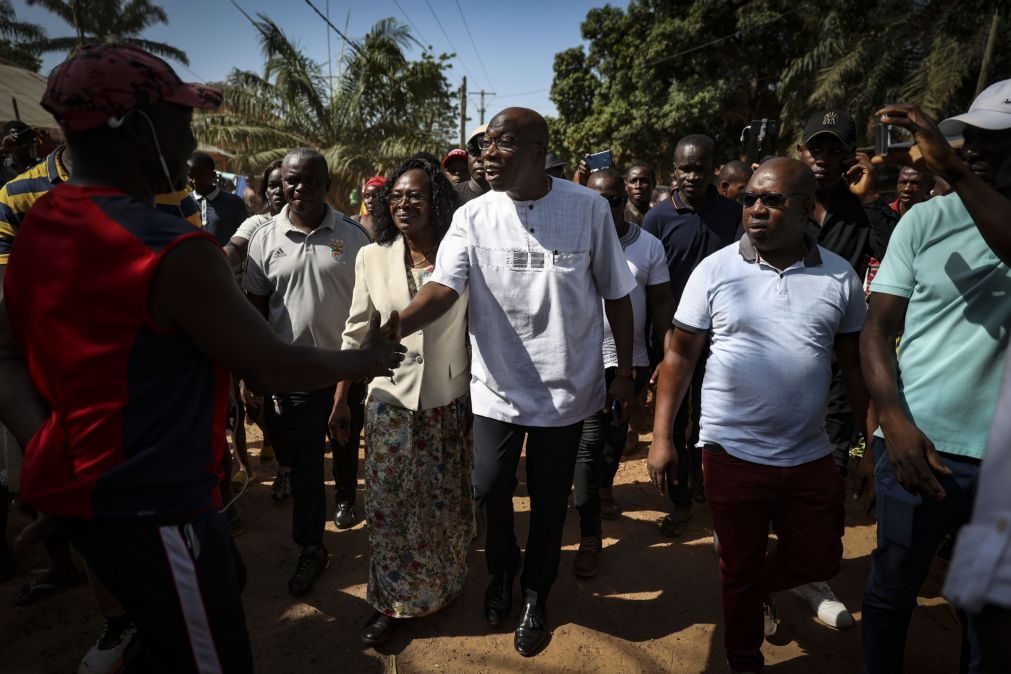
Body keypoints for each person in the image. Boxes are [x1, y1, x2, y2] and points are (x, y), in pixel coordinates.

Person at [0, 43, 404, 674]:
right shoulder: (170, 248)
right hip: (160, 508)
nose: (191, 144)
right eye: (179, 122)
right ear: (136, 130)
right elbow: (271, 363)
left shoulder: (38, 224)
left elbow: (6, 360)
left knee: (204, 598)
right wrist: (364, 361)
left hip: (96, 500)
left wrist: (54, 465)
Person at [393, 107, 637, 657]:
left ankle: (534, 592)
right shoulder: (473, 216)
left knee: (551, 501)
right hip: (495, 387)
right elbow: (444, 288)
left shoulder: (588, 209)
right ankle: (501, 572)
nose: (485, 155)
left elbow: (617, 295)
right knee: (490, 486)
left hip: (567, 391)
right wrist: (399, 323)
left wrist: (623, 371)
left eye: (500, 144)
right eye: (482, 146)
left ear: (535, 149)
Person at [649, 158, 870, 674]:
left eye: (772, 200)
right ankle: (743, 658)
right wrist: (662, 438)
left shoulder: (839, 276)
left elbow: (856, 370)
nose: (756, 208)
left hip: (810, 453)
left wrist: (867, 444)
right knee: (737, 566)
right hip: (730, 452)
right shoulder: (716, 269)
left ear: (805, 207)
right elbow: (679, 357)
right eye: (750, 198)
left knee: (821, 559)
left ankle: (755, 588)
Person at [0, 113, 202, 674]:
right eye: (175, 123)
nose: (186, 140)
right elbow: (9, 312)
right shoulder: (17, 195)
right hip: (62, 392)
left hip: (160, 395)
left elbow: (203, 281)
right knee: (96, 521)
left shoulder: (169, 187)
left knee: (191, 557)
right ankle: (119, 619)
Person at [860, 84, 1011, 674]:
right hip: (916, 446)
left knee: (986, 606)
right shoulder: (923, 220)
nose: (973, 149)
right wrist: (893, 424)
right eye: (969, 136)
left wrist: (953, 171)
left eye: (995, 140)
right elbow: (876, 330)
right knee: (892, 589)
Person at [340, 157, 471, 646]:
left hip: (447, 399)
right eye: (395, 196)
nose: (402, 204)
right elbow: (356, 331)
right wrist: (340, 401)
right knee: (391, 508)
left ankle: (445, 585)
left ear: (435, 199)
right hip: (388, 401)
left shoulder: (460, 256)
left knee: (443, 506)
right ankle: (393, 604)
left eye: (414, 195)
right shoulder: (372, 257)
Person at [243, 148, 373, 593]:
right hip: (292, 375)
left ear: (327, 183)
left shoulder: (355, 237)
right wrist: (253, 371)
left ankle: (345, 501)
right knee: (303, 466)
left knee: (345, 442)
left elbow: (370, 309)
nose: (299, 189)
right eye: (291, 181)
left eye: (309, 180)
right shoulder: (264, 238)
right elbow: (257, 310)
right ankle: (311, 547)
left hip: (346, 370)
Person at [572, 167, 672, 578]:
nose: (604, 207)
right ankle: (589, 530)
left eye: (612, 199)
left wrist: (666, 356)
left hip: (629, 361)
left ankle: (604, 485)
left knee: (616, 437)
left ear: (624, 200)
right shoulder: (574, 240)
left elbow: (662, 303)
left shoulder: (648, 246)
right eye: (594, 199)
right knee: (586, 444)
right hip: (579, 359)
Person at [641, 133, 741, 536]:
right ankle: (680, 499)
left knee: (713, 419)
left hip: (723, 339)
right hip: (673, 340)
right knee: (676, 418)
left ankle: (708, 487)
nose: (692, 176)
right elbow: (651, 288)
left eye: (700, 168)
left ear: (713, 170)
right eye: (685, 168)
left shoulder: (734, 214)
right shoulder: (658, 219)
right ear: (674, 170)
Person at [188, 150, 249, 246]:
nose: (194, 181)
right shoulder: (184, 202)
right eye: (190, 176)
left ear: (213, 175)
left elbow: (246, 235)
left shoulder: (234, 203)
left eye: (200, 175)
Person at [456, 124, 490, 204]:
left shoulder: (511, 198)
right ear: (467, 156)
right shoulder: (451, 194)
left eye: (487, 152)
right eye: (474, 151)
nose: (480, 159)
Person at [1, 121, 39, 185]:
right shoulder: (4, 165)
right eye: (16, 139)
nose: (22, 144)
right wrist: (3, 149)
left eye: (25, 139)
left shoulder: (40, 164)